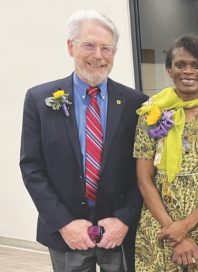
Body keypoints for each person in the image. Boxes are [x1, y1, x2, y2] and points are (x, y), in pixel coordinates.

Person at [19, 9, 148, 272]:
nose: (98, 55)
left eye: (107, 48)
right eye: (89, 45)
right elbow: (32, 168)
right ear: (71, 46)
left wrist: (124, 219)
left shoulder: (136, 103)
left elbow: (144, 171)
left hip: (118, 232)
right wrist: (64, 223)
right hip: (66, 233)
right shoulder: (39, 100)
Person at [133, 34, 198, 271]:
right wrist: (173, 229)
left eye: (196, 65)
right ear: (169, 69)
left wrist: (186, 224)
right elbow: (143, 178)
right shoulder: (150, 113)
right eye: (180, 65)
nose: (188, 71)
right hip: (160, 224)